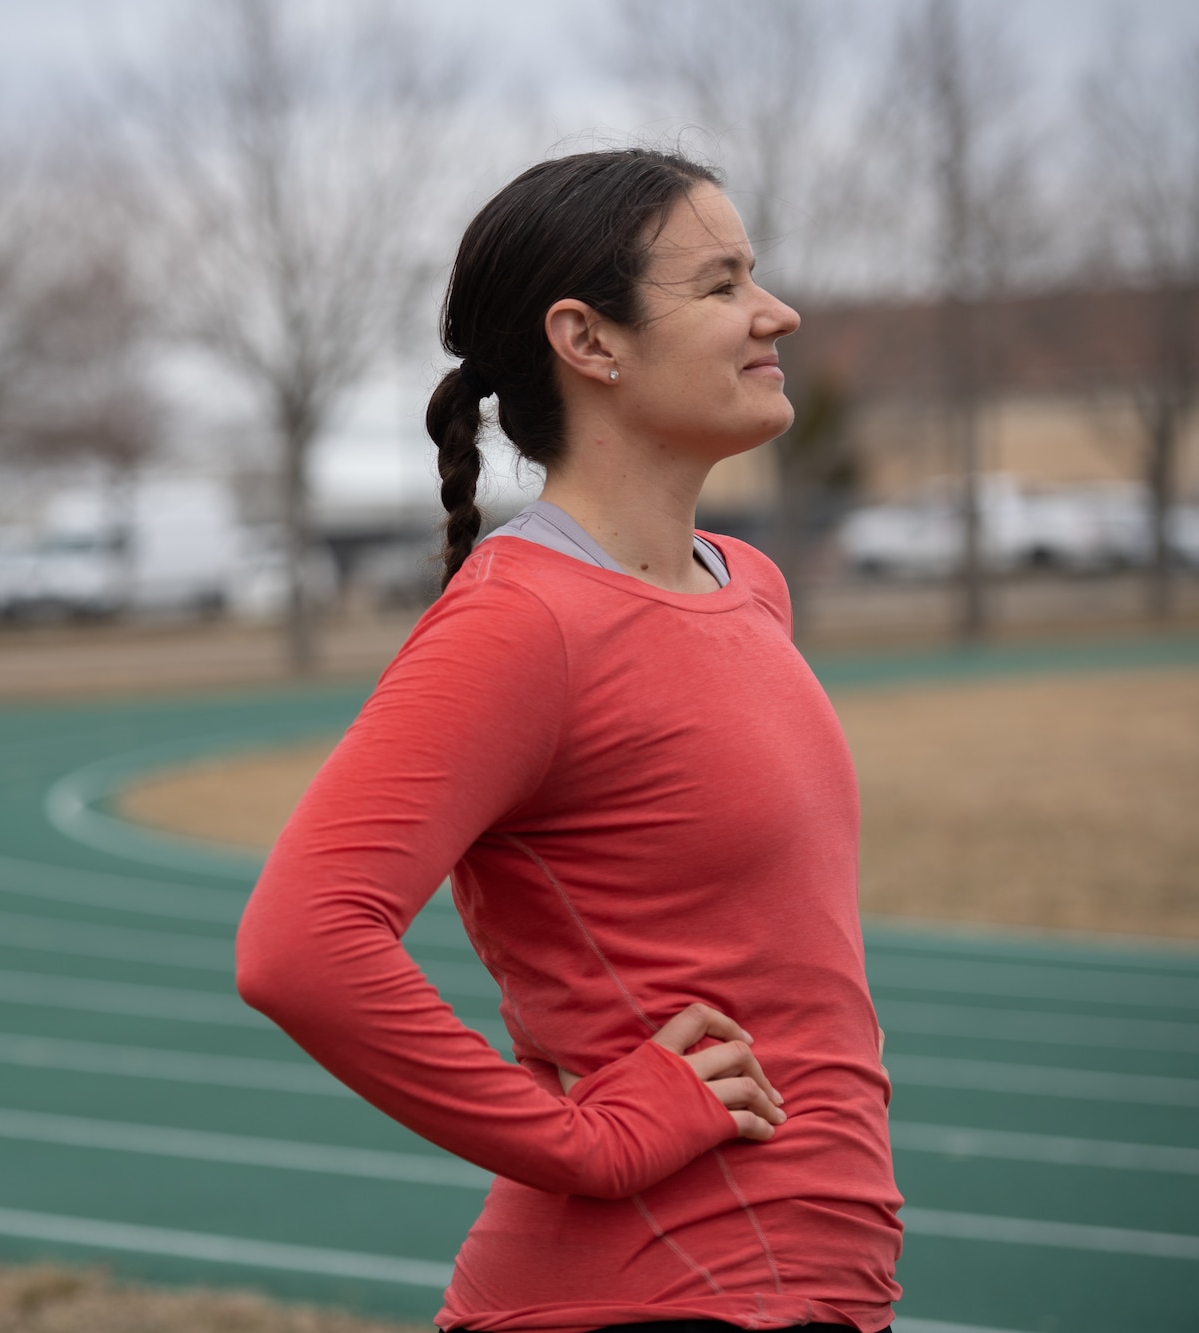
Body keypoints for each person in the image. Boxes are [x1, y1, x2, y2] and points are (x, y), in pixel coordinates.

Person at [235, 148, 902, 1333]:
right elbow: (299, 944)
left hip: (802, 1286)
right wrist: (581, 1142)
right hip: (646, 1295)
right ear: (588, 342)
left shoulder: (743, 583)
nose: (774, 310)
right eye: (719, 285)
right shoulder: (520, 621)